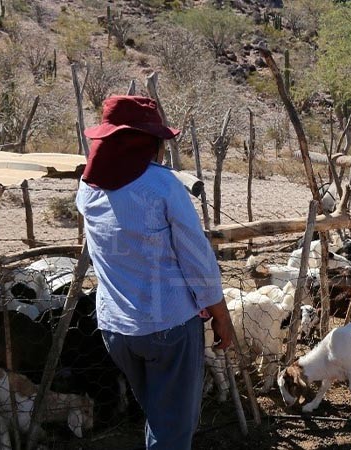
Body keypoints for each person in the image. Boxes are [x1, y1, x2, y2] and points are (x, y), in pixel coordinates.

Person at [76, 95, 234, 450]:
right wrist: (221, 315)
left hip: (117, 328)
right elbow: (196, 259)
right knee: (174, 430)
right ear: (149, 143)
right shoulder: (162, 187)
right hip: (167, 325)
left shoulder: (87, 188)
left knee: (158, 416)